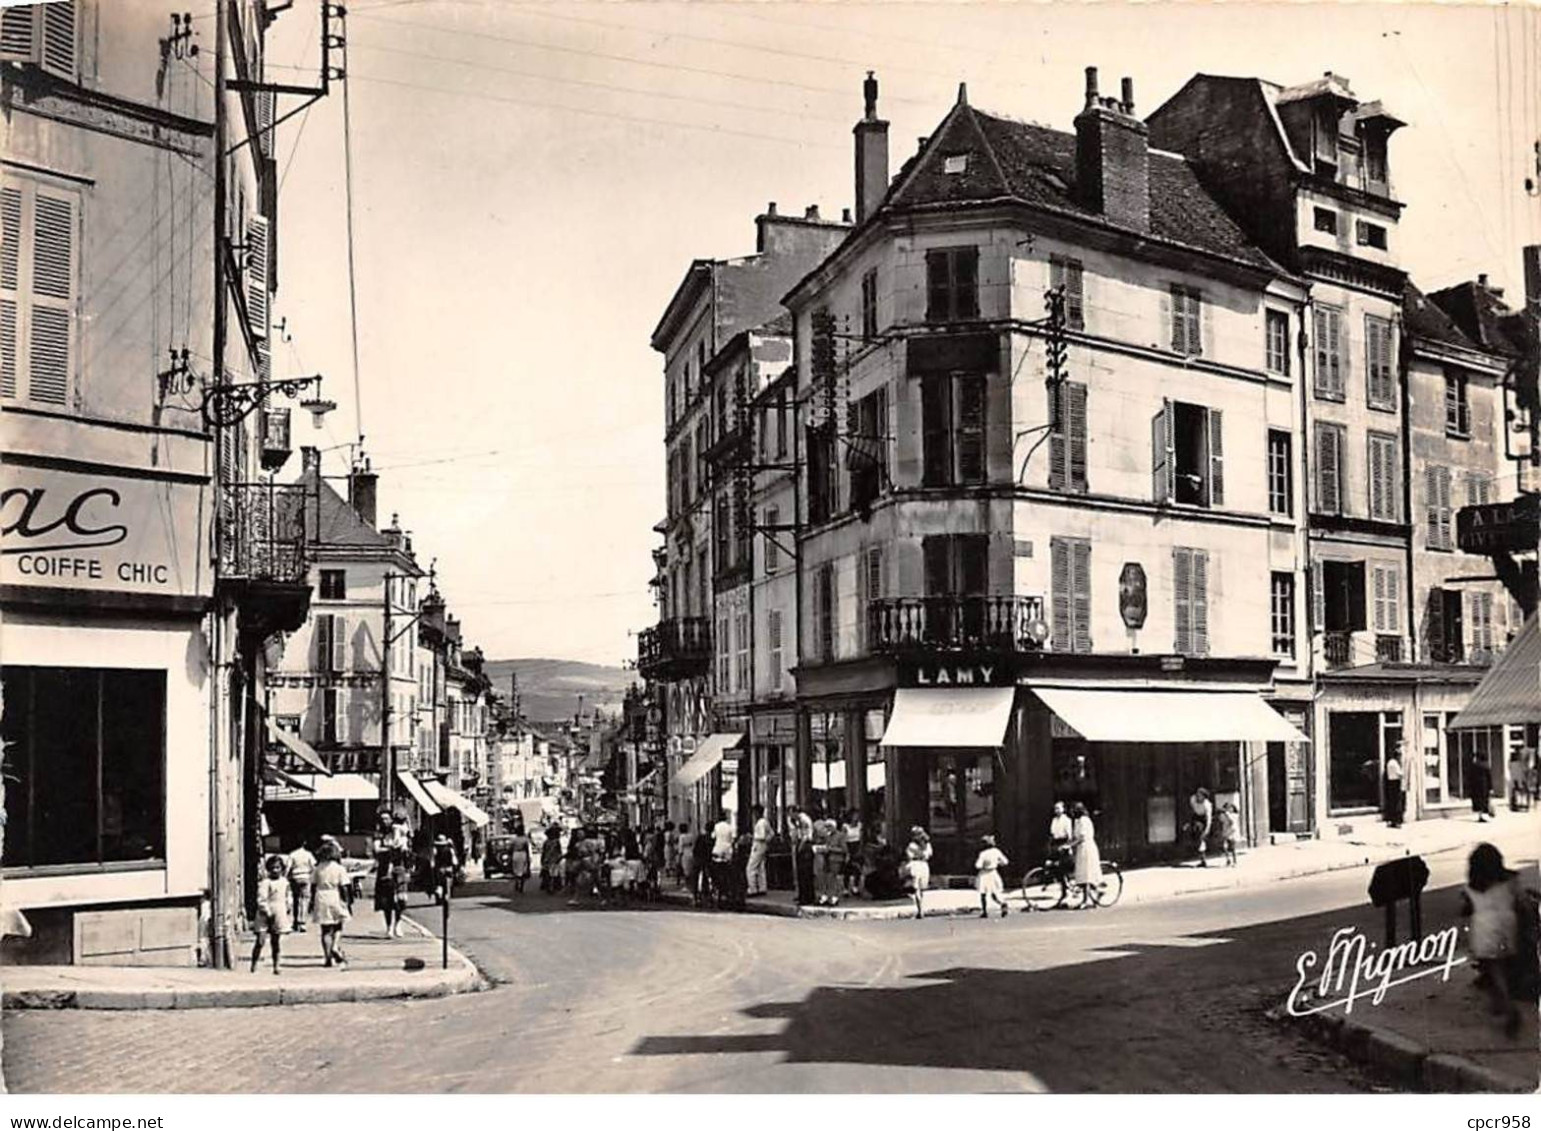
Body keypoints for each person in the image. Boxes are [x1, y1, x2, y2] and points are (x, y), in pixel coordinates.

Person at [1460, 843, 1528, 1038]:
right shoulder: (1511, 881)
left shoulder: (1471, 888)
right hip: (1508, 928)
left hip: (1485, 931)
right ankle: (1498, 1003)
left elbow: (1466, 910)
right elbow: (1522, 902)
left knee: (1493, 968)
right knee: (1502, 966)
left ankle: (1506, 1005)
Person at [311, 840, 353, 968]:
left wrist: (312, 901)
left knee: (325, 929)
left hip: (321, 896)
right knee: (338, 925)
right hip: (335, 895)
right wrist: (347, 901)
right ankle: (335, 946)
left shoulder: (318, 868)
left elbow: (313, 885)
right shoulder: (339, 868)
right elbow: (345, 886)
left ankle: (327, 957)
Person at [250, 855, 291, 974]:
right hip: (265, 912)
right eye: (272, 868)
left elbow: (288, 895)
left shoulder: (284, 882)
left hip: (279, 909)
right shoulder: (265, 882)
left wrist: (288, 905)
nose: (275, 870)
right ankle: (254, 964)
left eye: (278, 868)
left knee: (276, 941)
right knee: (260, 940)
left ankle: (276, 966)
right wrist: (266, 911)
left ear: (282, 869)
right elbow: (261, 898)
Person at [1069, 802, 1103, 902]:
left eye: (1074, 810)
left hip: (1087, 848)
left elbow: (1082, 837)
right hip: (1080, 850)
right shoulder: (1077, 821)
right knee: (1082, 875)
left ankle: (1085, 900)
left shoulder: (1085, 820)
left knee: (1087, 874)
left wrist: (1071, 845)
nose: (1072, 812)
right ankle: (1097, 892)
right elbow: (1075, 836)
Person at [974, 834, 1010, 919]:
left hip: (984, 874)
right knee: (994, 893)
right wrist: (997, 863)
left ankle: (984, 911)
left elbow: (978, 865)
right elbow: (1005, 862)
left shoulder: (983, 854)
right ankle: (1002, 903)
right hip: (993, 873)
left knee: (983, 894)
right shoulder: (996, 851)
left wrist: (983, 865)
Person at [903, 826, 933, 920]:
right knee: (922, 888)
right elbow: (929, 854)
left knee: (916, 889)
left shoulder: (912, 845)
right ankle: (921, 909)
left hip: (915, 865)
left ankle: (920, 910)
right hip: (924, 865)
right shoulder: (927, 845)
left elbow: (909, 855)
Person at [286, 840, 316, 931]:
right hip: (306, 877)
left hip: (295, 878)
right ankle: (302, 922)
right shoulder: (308, 854)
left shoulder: (292, 854)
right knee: (304, 900)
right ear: (304, 844)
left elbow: (288, 867)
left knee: (296, 900)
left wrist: (285, 877)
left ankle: (296, 921)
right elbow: (313, 866)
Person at [791, 806, 816, 907]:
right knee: (801, 873)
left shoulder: (803, 820)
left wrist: (800, 848)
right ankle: (803, 895)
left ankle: (807, 897)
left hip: (805, 846)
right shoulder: (798, 821)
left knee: (805, 873)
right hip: (802, 844)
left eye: (791, 813)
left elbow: (805, 836)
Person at [710, 810, 736, 909]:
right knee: (726, 871)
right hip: (727, 849)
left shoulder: (716, 827)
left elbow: (713, 837)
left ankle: (718, 890)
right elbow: (733, 839)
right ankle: (726, 891)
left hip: (718, 849)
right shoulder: (729, 827)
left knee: (717, 871)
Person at [746, 805, 772, 898]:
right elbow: (771, 834)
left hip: (758, 845)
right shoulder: (765, 822)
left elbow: (761, 836)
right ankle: (762, 887)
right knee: (761, 867)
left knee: (750, 868)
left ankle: (752, 888)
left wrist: (752, 837)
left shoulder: (760, 823)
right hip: (763, 846)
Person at [691, 819, 715, 906]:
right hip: (707, 861)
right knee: (707, 878)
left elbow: (695, 849)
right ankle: (707, 896)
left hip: (698, 859)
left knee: (695, 877)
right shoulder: (712, 840)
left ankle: (695, 896)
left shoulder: (700, 837)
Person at [1048, 801, 1074, 879]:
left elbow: (1069, 835)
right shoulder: (1054, 820)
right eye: (1055, 809)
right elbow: (1052, 833)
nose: (1057, 810)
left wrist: (1067, 845)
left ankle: (1067, 882)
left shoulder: (1067, 820)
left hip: (1064, 842)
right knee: (1053, 863)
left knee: (1064, 864)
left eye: (1058, 808)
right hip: (1056, 842)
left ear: (1063, 809)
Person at [842, 809, 865, 897]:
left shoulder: (859, 825)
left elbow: (861, 838)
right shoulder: (845, 826)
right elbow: (843, 839)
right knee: (847, 868)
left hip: (857, 846)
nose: (856, 817)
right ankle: (845, 888)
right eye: (854, 815)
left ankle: (855, 886)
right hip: (849, 846)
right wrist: (846, 851)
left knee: (857, 868)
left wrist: (860, 849)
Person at [431, 832, 459, 904]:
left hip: (440, 869)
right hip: (449, 869)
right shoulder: (450, 850)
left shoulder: (435, 850)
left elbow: (433, 861)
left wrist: (433, 867)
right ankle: (447, 894)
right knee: (450, 881)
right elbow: (454, 861)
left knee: (438, 883)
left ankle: (439, 893)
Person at [1189, 788, 1214, 867]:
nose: (1198, 797)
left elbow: (1209, 818)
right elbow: (1192, 809)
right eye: (1197, 795)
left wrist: (1207, 830)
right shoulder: (1193, 799)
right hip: (1196, 816)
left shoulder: (1207, 805)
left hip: (1204, 818)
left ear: (1204, 797)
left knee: (1201, 838)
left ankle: (1203, 859)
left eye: (1200, 796)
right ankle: (1202, 858)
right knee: (1197, 835)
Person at [507, 823, 532, 894]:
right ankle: (521, 885)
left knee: (516, 870)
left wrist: (510, 856)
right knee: (523, 870)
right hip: (523, 854)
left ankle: (517, 882)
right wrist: (528, 858)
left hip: (515, 854)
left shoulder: (514, 839)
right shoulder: (525, 839)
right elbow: (527, 849)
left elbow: (510, 849)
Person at [1383, 748, 1404, 827]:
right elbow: (1400, 774)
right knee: (1397, 802)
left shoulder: (1389, 763)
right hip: (1395, 782)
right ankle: (1396, 821)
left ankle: (1390, 820)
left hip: (1390, 782)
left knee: (1391, 802)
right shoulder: (1395, 763)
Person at [540, 823, 564, 893]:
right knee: (554, 873)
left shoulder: (546, 842)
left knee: (548, 873)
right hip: (554, 858)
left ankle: (549, 886)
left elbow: (543, 851)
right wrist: (560, 857)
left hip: (547, 859)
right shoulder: (556, 842)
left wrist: (542, 859)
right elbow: (559, 851)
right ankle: (552, 886)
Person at [1470, 755, 1494, 822]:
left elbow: (1471, 776)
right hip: (1484, 786)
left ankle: (1480, 816)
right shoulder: (1486, 766)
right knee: (1484, 801)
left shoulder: (1474, 766)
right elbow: (1489, 778)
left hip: (1477, 786)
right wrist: (1491, 788)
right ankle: (1484, 816)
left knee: (1479, 801)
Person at [678, 822, 699, 897]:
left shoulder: (681, 837)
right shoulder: (691, 836)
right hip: (691, 853)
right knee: (691, 870)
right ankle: (691, 886)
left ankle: (687, 886)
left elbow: (680, 847)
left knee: (685, 870)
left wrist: (679, 856)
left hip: (685, 853)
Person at [1217, 801, 1240, 867]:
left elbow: (1232, 821)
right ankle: (1228, 860)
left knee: (1233, 848)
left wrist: (1227, 814)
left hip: (1232, 832)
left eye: (1230, 808)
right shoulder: (1223, 815)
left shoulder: (1235, 815)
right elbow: (1221, 821)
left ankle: (1235, 861)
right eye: (1227, 808)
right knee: (1224, 846)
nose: (1229, 809)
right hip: (1225, 832)